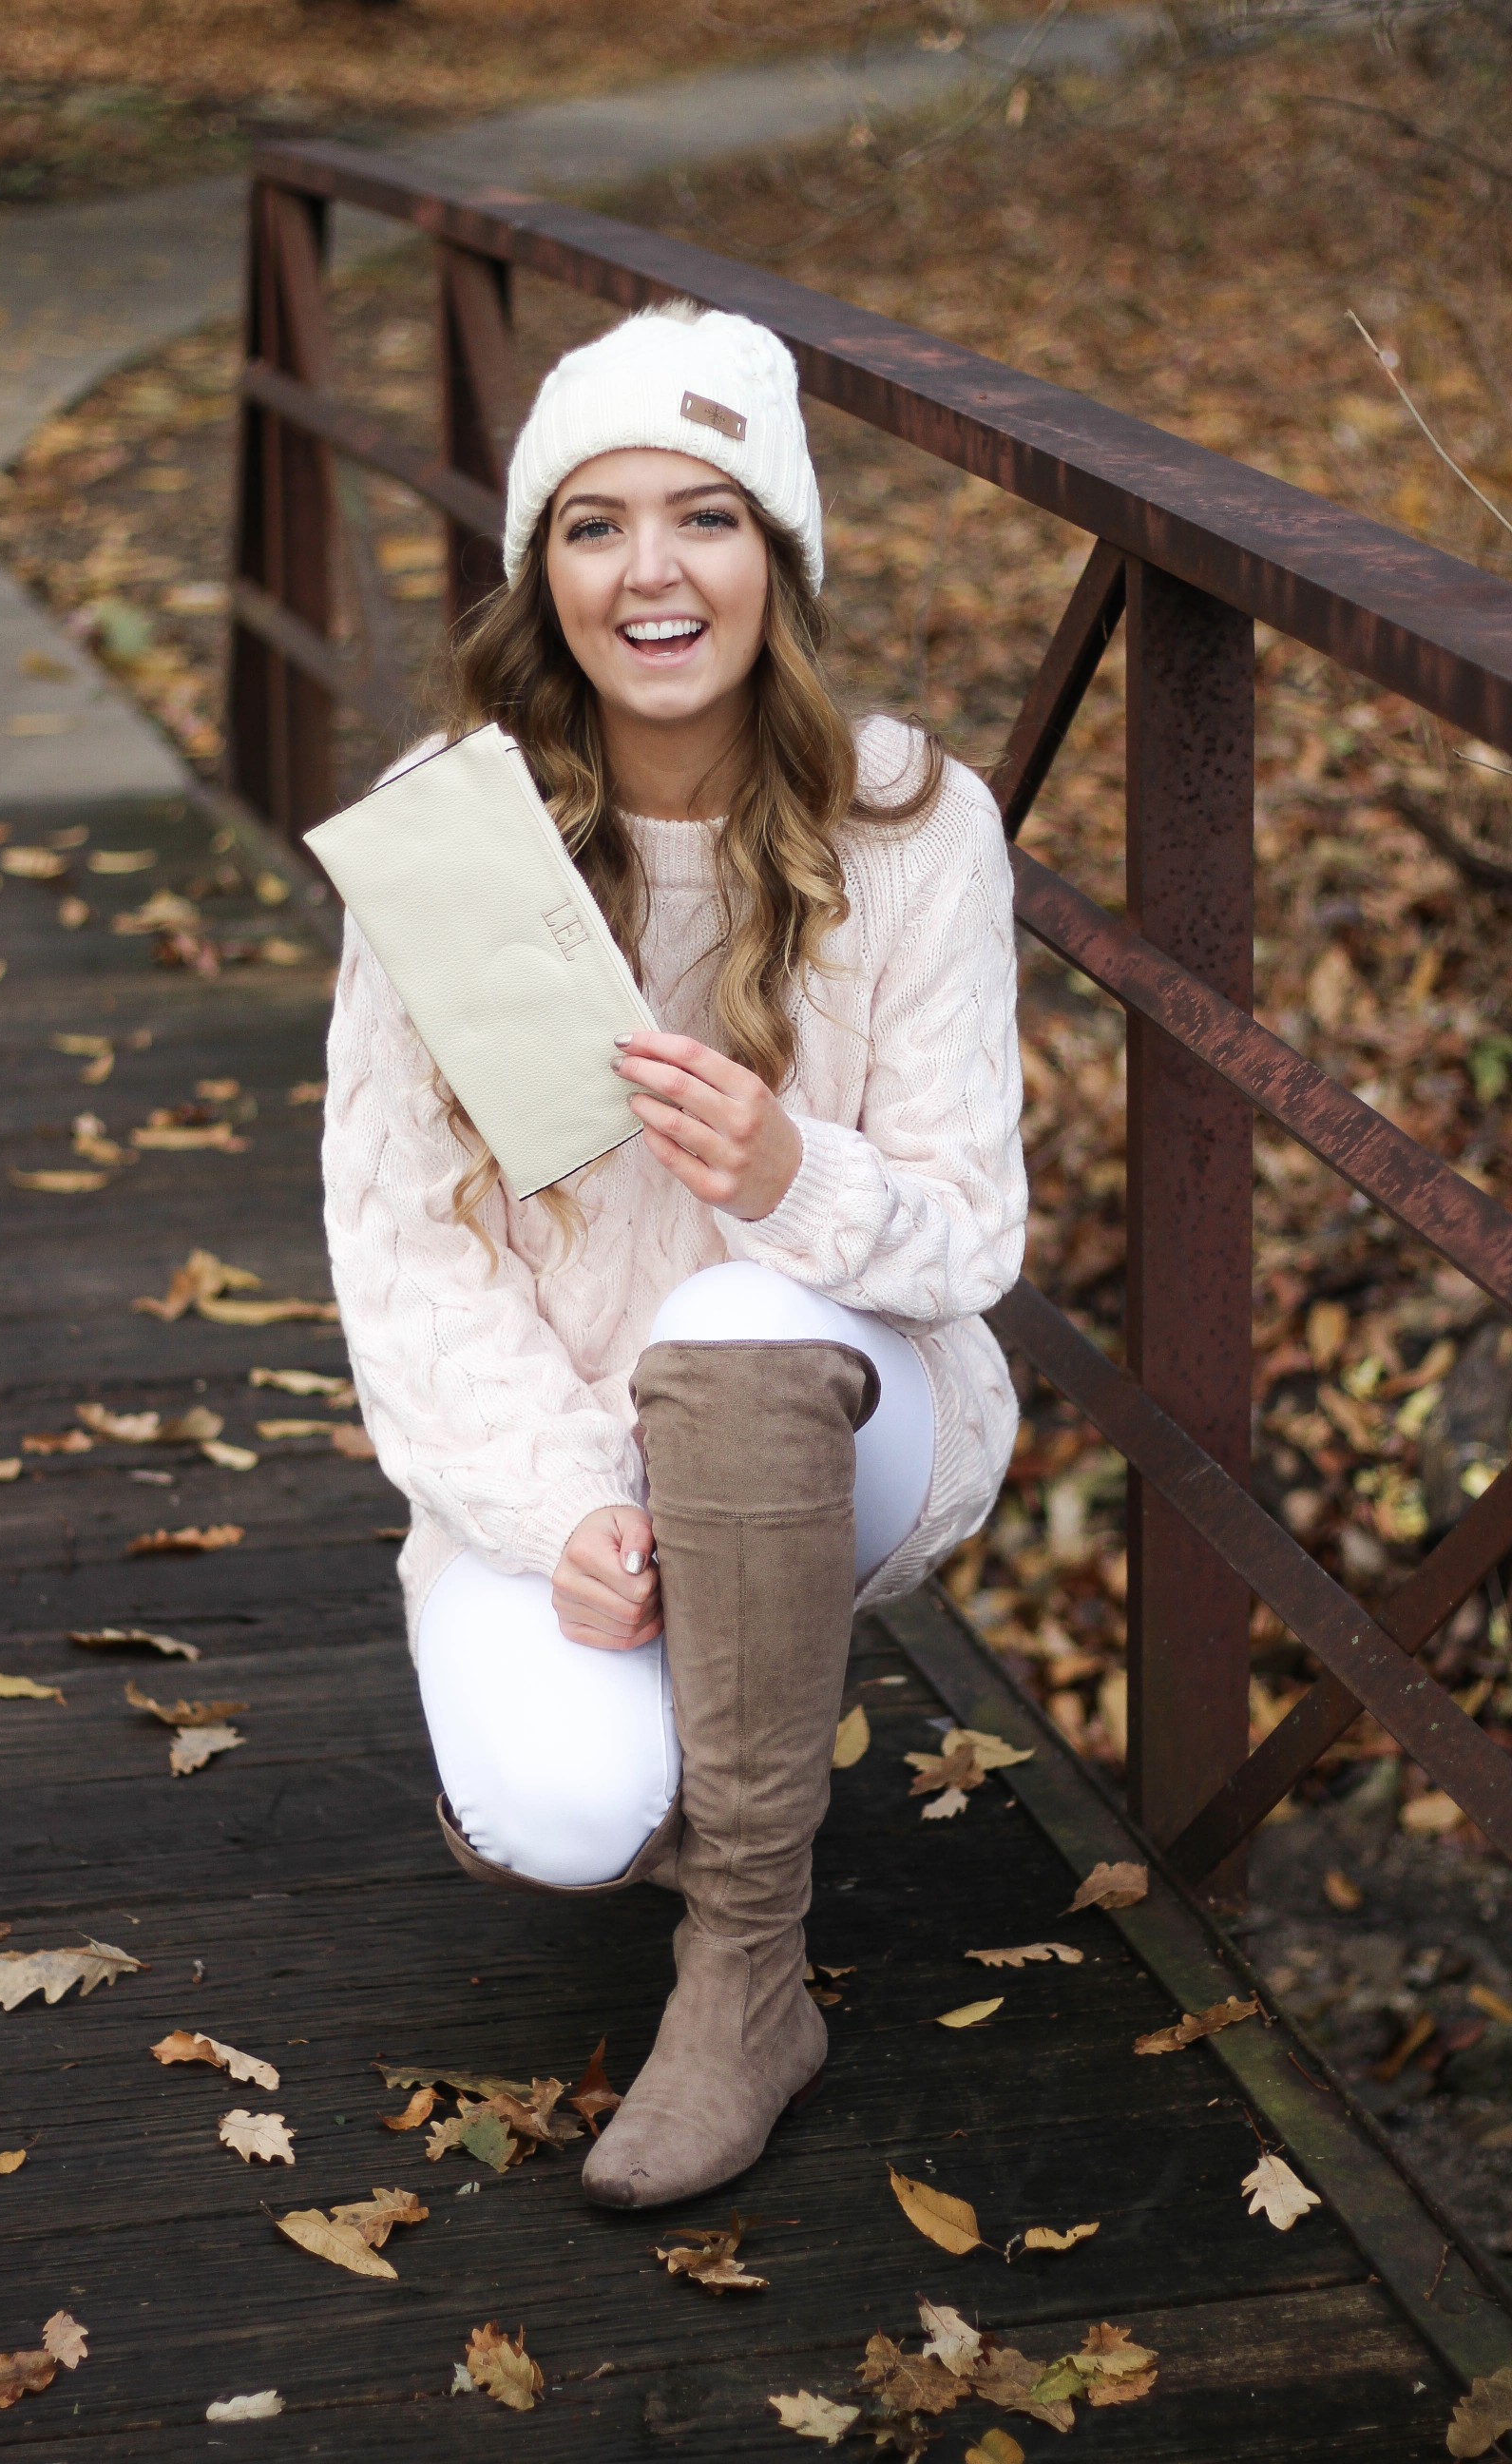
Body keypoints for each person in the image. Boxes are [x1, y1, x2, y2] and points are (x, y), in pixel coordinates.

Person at [320, 300, 1026, 2210]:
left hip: (842, 1401)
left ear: (776, 562)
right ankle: (705, 1748)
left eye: (705, 517)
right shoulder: (445, 837)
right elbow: (398, 1254)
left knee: (726, 1320)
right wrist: (561, 1512)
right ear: (539, 571)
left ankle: (744, 1980)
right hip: (576, 1445)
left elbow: (975, 1233)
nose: (652, 572)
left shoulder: (912, 824)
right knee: (556, 1815)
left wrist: (800, 1173)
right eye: (594, 523)